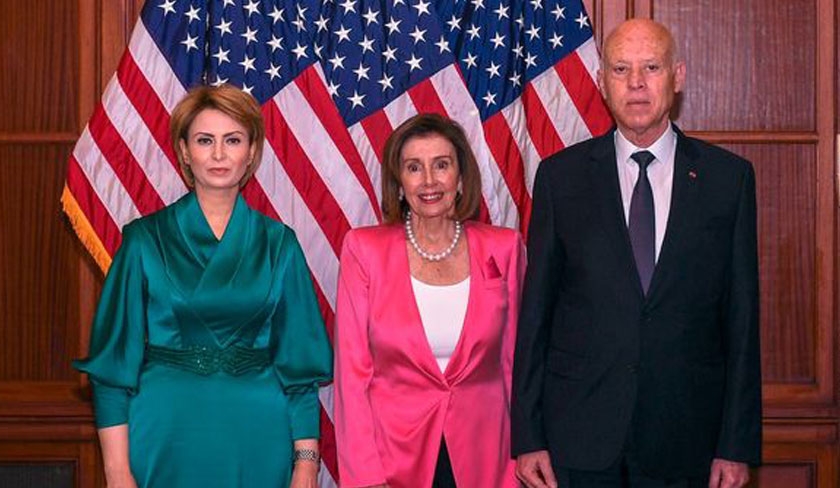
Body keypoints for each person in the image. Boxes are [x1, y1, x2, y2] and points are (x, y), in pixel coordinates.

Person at [511, 18, 762, 488]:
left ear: (678, 76)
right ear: (602, 82)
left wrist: (736, 444)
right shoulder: (561, 179)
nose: (637, 83)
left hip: (686, 439)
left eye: (651, 67)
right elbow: (536, 315)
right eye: (621, 69)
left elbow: (742, 321)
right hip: (578, 437)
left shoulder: (727, 180)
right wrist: (528, 435)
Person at [73, 84, 332, 488]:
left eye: (233, 140)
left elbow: (300, 369)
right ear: (184, 150)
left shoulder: (279, 244)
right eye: (205, 140)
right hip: (164, 432)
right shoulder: (144, 240)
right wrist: (117, 471)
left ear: (252, 151)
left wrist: (306, 465)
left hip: (259, 434)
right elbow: (111, 370)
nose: (218, 154)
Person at [334, 113, 524, 488]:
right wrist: (365, 476)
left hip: (488, 457)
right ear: (399, 183)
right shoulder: (364, 251)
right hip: (393, 460)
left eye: (441, 165)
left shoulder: (504, 248)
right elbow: (352, 375)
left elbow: (515, 365)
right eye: (414, 168)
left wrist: (520, 457)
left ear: (461, 177)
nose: (429, 181)